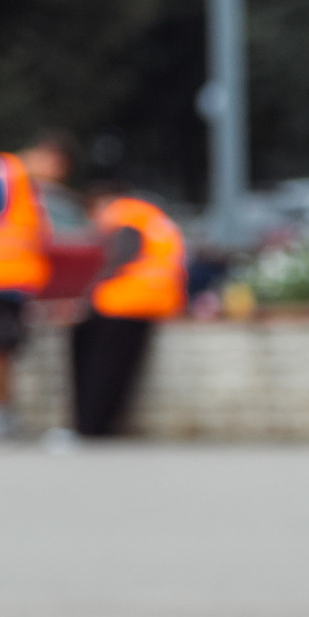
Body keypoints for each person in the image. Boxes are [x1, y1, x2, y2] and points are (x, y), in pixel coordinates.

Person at [0, 131, 71, 439]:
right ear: (48, 156)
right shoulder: (3, 172)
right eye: (57, 168)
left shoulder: (26, 186)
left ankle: (1, 412)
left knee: (7, 349)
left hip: (14, 282)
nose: (55, 177)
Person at [67, 183, 186, 438]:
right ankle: (102, 426)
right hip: (157, 300)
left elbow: (119, 257)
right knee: (119, 369)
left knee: (98, 367)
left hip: (121, 302)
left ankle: (89, 427)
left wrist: (85, 296)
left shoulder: (120, 214)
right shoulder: (148, 215)